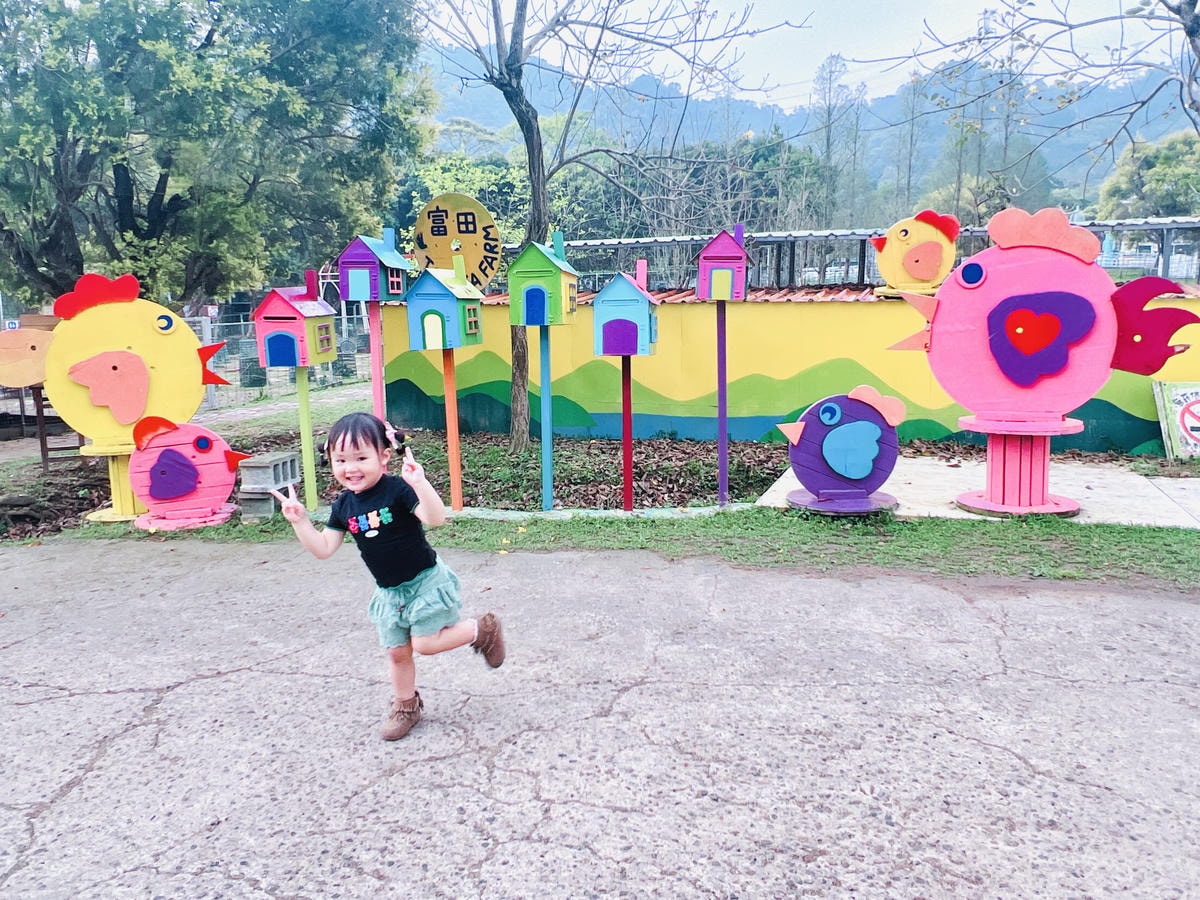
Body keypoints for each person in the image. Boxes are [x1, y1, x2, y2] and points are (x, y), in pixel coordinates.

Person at [270, 412, 504, 741]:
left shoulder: (397, 490)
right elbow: (323, 549)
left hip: (425, 582)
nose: (350, 468)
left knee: (423, 644)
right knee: (397, 652)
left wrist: (419, 483)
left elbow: (435, 519)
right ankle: (406, 705)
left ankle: (483, 629)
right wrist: (300, 522)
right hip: (390, 595)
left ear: (383, 457)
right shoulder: (342, 507)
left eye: (361, 458)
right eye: (340, 460)